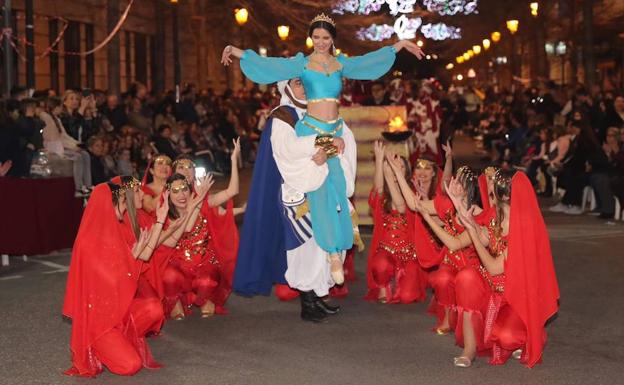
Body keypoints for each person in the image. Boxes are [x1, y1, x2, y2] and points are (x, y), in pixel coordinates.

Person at [222, 12, 423, 283]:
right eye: (315, 37)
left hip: (336, 129)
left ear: (332, 39)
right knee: (318, 190)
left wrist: (398, 46)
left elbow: (367, 62)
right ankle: (330, 253)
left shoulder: (340, 64)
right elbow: (271, 65)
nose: (320, 42)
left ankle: (337, 250)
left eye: (325, 37)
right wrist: (237, 51)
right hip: (313, 130)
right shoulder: (301, 64)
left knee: (339, 190)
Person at [234, 78, 356, 323]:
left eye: (305, 83)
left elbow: (342, 137)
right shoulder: (283, 115)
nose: (303, 87)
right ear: (286, 88)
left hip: (323, 186)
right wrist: (321, 146)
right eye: (298, 83)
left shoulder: (319, 110)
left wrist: (332, 148)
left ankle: (318, 296)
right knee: (304, 247)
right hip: (298, 189)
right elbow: (287, 150)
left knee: (324, 243)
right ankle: (307, 303)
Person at [63, 177, 170, 377]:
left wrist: (135, 255)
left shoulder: (114, 231)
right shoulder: (88, 242)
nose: (124, 207)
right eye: (121, 203)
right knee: (130, 366)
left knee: (154, 308)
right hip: (100, 321)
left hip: (119, 310)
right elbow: (111, 282)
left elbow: (126, 277)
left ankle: (120, 341)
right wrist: (134, 256)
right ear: (108, 205)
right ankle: (97, 346)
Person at [451, 170, 559, 368]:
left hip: (514, 297)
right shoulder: (496, 214)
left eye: (493, 181)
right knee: (467, 278)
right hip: (492, 289)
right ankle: (469, 349)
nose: (487, 182)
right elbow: (484, 236)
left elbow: (493, 267)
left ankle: (532, 331)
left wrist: (472, 233)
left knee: (506, 337)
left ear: (506, 194)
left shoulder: (523, 226)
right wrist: (457, 202)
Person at [162, 139, 241, 319]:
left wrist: (233, 160)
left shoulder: (203, 196)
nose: (186, 171)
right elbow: (186, 227)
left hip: (204, 258)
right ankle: (179, 298)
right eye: (181, 168)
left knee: (206, 283)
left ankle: (204, 295)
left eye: (190, 167)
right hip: (177, 260)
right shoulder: (167, 201)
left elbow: (232, 191)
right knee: (169, 278)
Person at [365, 141, 427, 304]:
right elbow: (378, 191)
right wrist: (379, 160)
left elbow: (400, 206)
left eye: (398, 166)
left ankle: (401, 279)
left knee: (407, 297)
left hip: (409, 253)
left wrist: (390, 178)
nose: (394, 169)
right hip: (386, 250)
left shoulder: (412, 193)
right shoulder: (384, 194)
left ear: (406, 171)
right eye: (391, 166)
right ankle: (385, 283)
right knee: (380, 265)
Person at [41, 97, 93, 197]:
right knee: (78, 157)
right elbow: (55, 139)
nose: (62, 108)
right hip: (53, 148)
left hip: (61, 145)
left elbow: (64, 135)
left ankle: (88, 185)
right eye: (60, 106)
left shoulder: (56, 119)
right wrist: (73, 147)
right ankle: (78, 188)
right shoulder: (47, 119)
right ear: (56, 107)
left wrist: (76, 144)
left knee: (85, 154)